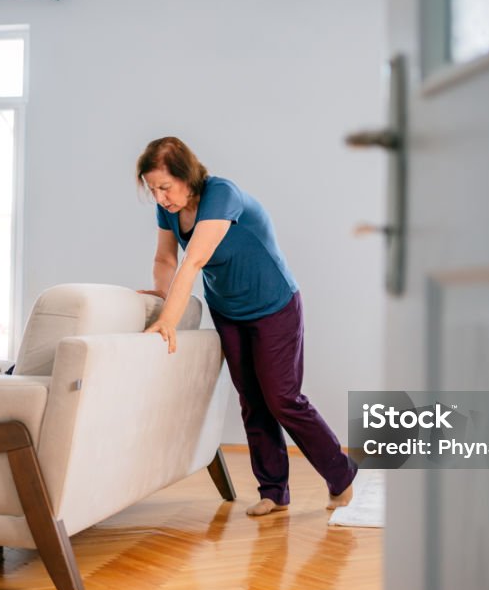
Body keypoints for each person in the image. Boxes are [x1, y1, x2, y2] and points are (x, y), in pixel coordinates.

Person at [136, 136, 357, 517]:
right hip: (229, 311)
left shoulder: (222, 195)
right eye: (153, 189)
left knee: (282, 397)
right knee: (252, 401)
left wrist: (166, 321)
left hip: (275, 305)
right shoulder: (169, 211)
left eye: (165, 187)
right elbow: (165, 258)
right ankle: (273, 491)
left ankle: (341, 474)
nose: (160, 197)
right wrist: (159, 292)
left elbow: (193, 262)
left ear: (187, 177)